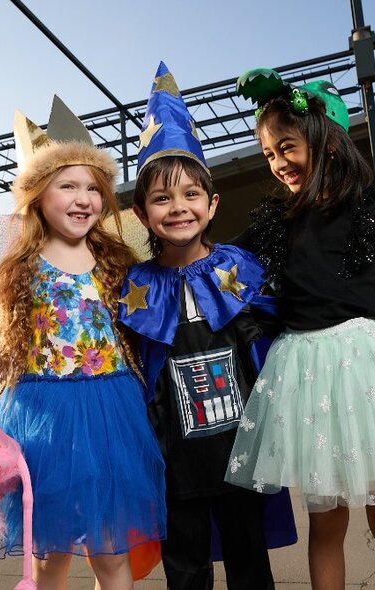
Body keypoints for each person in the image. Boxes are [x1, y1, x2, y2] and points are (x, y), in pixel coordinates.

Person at [224, 69, 375, 590]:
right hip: (306, 378)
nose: (278, 162)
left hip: (368, 372)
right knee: (326, 523)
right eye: (268, 154)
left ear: (327, 142)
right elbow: (218, 265)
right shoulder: (275, 222)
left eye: (286, 147)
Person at [0, 98, 166, 589]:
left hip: (111, 411)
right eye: (67, 185)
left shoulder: (117, 260)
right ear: (36, 195)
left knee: (111, 553)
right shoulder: (19, 269)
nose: (83, 198)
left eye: (93, 187)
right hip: (43, 415)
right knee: (51, 556)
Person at [117, 62, 296, 589]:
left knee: (250, 566)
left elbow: (275, 340)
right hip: (175, 463)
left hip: (242, 454)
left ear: (212, 203)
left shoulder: (238, 267)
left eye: (191, 195)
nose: (179, 209)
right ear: (143, 213)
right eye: (162, 198)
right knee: (187, 572)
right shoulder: (136, 286)